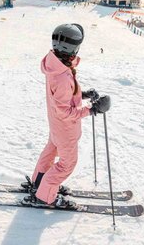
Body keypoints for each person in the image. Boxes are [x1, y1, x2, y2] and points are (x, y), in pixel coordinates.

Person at [23, 23, 111, 208]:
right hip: (65, 129)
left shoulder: (55, 66)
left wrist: (82, 94)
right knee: (66, 164)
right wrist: (92, 109)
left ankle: (40, 183)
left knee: (49, 154)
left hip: (56, 127)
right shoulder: (62, 76)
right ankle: (45, 196)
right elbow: (64, 111)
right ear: (74, 48)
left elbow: (60, 98)